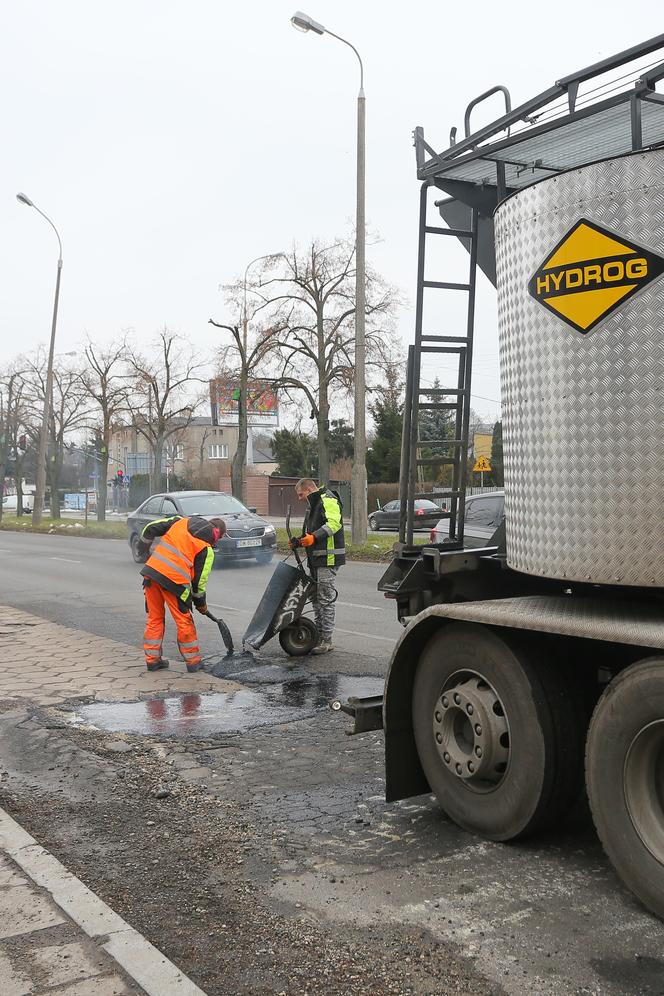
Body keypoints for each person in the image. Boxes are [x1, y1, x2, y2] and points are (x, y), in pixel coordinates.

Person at [138, 514, 226, 673]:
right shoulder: (206, 549)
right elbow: (198, 584)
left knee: (154, 617)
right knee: (184, 620)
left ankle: (152, 661)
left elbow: (149, 529)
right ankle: (193, 662)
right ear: (218, 535)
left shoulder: (181, 521)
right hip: (174, 583)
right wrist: (201, 605)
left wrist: (142, 549)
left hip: (151, 574)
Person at [289, 478, 344, 654]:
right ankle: (319, 636)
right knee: (316, 599)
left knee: (325, 599)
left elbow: (334, 524)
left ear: (310, 489)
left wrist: (314, 538)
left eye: (300, 494)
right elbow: (312, 533)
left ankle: (326, 640)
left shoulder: (327, 499)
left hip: (327, 559)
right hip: (316, 558)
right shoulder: (313, 504)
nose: (299, 498)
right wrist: (300, 541)